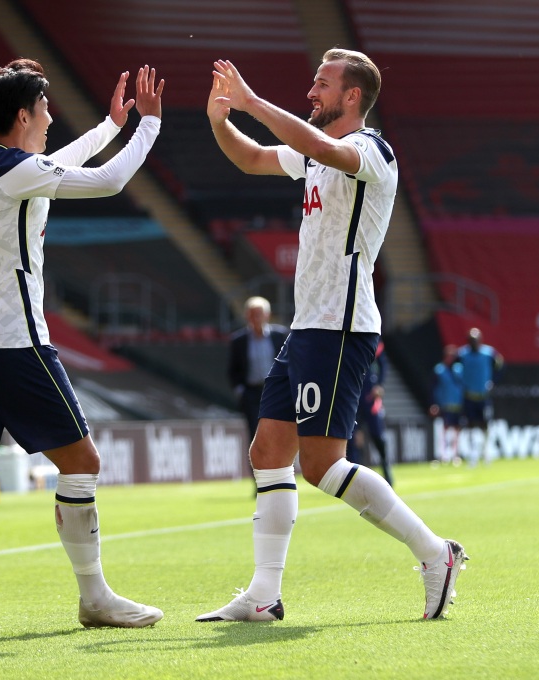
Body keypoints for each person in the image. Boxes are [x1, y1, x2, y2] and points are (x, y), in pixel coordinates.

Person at [196, 49, 467, 623]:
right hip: (307, 326)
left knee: (321, 465)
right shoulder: (314, 152)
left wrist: (251, 102)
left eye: (322, 84)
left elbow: (323, 149)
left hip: (340, 327)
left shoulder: (372, 152)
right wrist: (221, 121)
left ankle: (434, 553)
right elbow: (251, 158)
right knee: (267, 453)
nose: (311, 92)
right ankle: (263, 595)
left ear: (351, 96)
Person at [0, 59, 166, 634]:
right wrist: (149, 125)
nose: (49, 119)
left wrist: (108, 127)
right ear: (23, 115)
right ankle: (95, 598)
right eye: (44, 110)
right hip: (14, 344)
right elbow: (108, 181)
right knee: (83, 464)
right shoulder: (14, 170)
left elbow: (53, 166)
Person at [227, 295, 288, 455]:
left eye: (259, 314)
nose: (256, 318)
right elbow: (233, 370)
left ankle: (280, 468)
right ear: (247, 316)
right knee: (255, 435)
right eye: (252, 314)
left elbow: (290, 364)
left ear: (267, 315)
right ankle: (258, 470)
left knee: (279, 432)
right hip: (252, 394)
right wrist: (241, 392)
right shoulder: (239, 340)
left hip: (275, 392)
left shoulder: (280, 336)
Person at [346, 338, 392, 485]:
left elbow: (383, 364)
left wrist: (379, 385)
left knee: (378, 435)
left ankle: (386, 468)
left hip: (370, 397)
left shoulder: (372, 338)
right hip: (352, 396)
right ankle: (355, 476)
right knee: (352, 438)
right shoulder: (345, 340)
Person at [456, 328, 503, 465]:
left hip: (483, 396)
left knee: (485, 424)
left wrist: (493, 380)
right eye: (471, 340)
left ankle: (486, 452)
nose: (474, 343)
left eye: (475, 340)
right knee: (470, 424)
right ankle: (473, 454)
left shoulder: (488, 353)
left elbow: (500, 364)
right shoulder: (463, 354)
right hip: (469, 396)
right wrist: (461, 381)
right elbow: (454, 367)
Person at [429, 344, 464, 465]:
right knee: (443, 430)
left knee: (456, 431)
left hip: (457, 405)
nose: (451, 358)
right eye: (449, 355)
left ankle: (455, 455)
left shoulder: (459, 369)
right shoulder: (439, 370)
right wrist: (433, 404)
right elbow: (433, 388)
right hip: (444, 405)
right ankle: (443, 455)